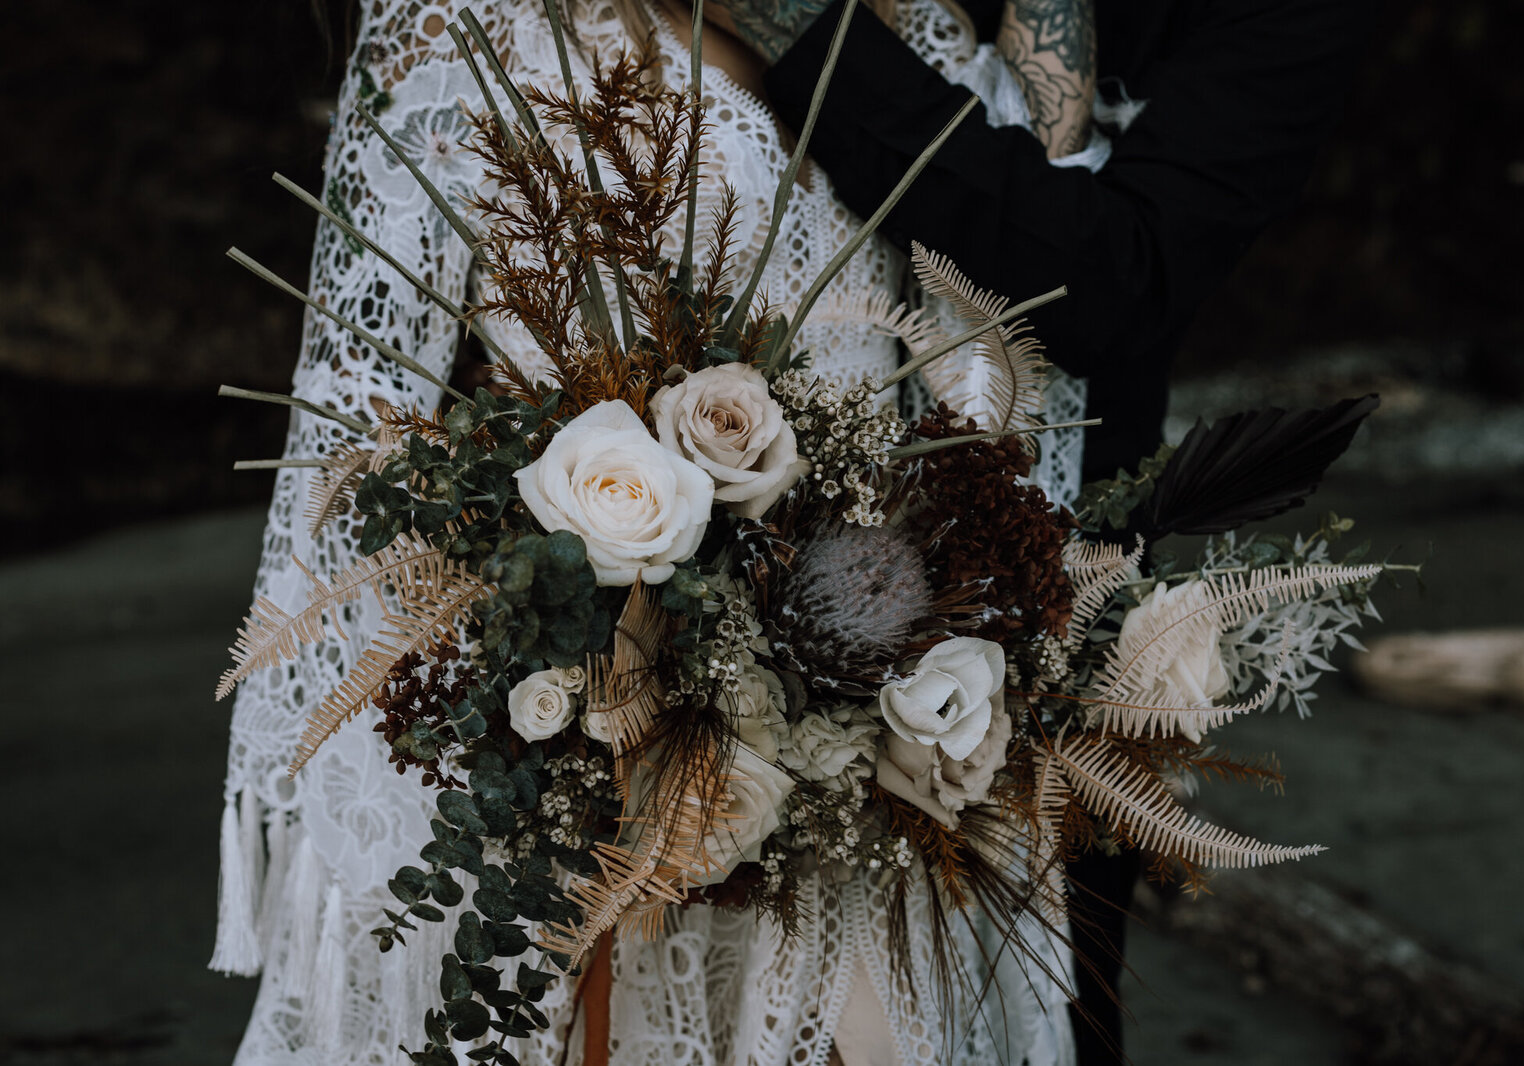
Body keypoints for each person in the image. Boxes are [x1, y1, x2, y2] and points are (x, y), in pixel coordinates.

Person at [213, 0, 1099, 1063]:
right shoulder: (460, 27)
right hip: (565, 739)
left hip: (860, 732)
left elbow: (996, 377)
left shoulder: (911, 36)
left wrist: (950, 630)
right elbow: (356, 422)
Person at [691, 0, 1377, 1060]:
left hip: (1050, 570)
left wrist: (806, 35)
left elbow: (1105, 281)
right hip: (749, 512)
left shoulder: (1284, 23)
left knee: (1045, 980)